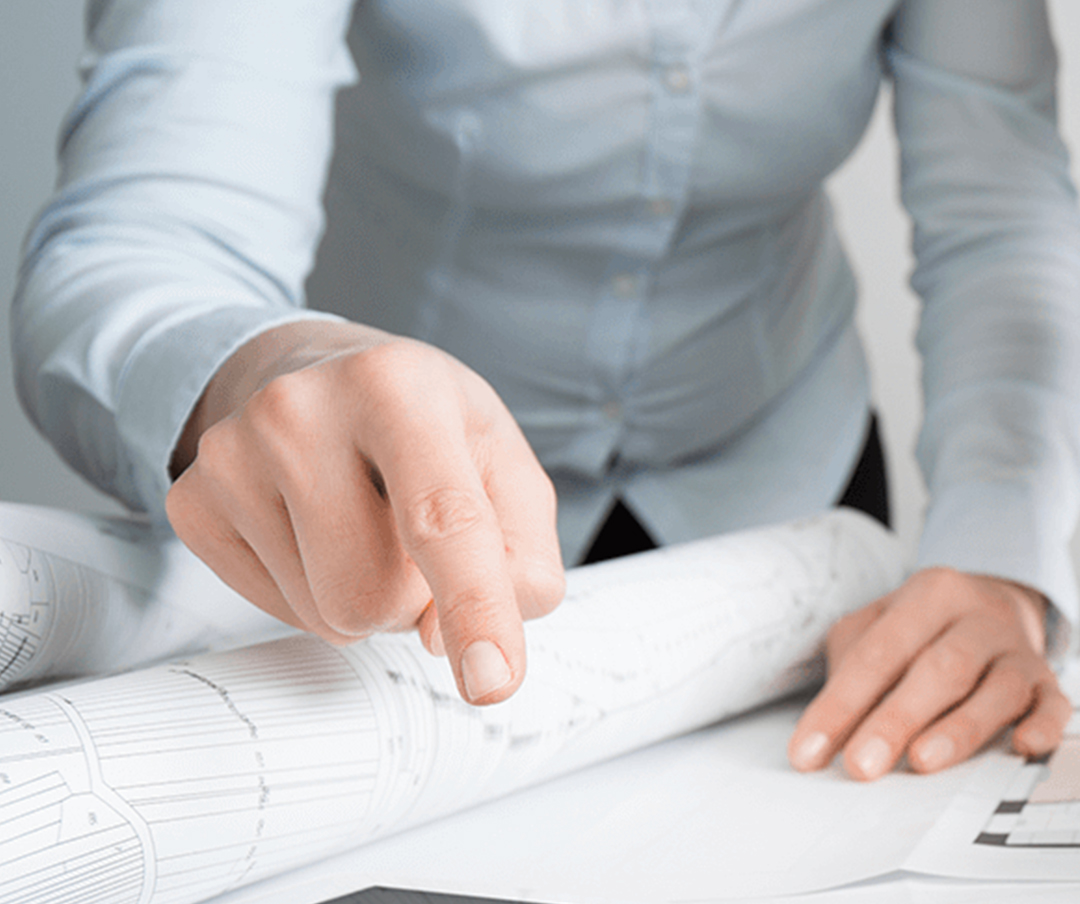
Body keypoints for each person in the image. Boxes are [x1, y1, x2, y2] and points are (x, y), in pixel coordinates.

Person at [11, 0, 1080, 781]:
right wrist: (262, 367)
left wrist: (998, 557)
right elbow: (137, 239)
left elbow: (999, 218)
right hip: (385, 524)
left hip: (788, 483)